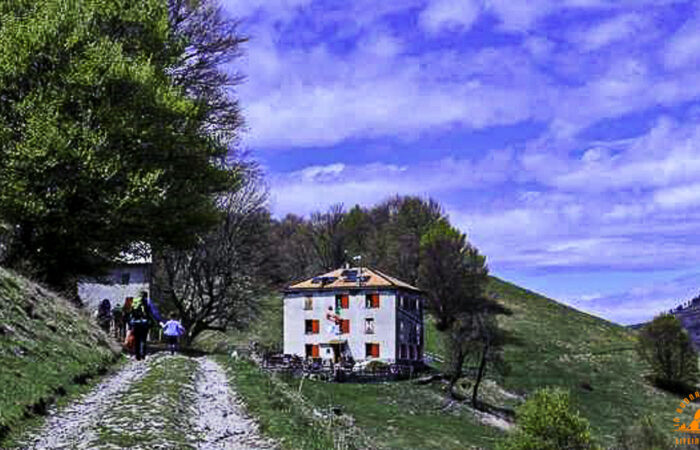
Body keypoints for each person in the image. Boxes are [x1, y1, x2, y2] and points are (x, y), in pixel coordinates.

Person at [127, 291, 155, 360]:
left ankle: (137, 355)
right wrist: (158, 321)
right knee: (143, 339)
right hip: (144, 323)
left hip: (135, 323)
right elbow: (154, 312)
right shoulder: (148, 302)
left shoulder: (135, 302)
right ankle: (143, 355)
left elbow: (130, 313)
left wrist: (130, 324)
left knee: (137, 339)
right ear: (146, 295)